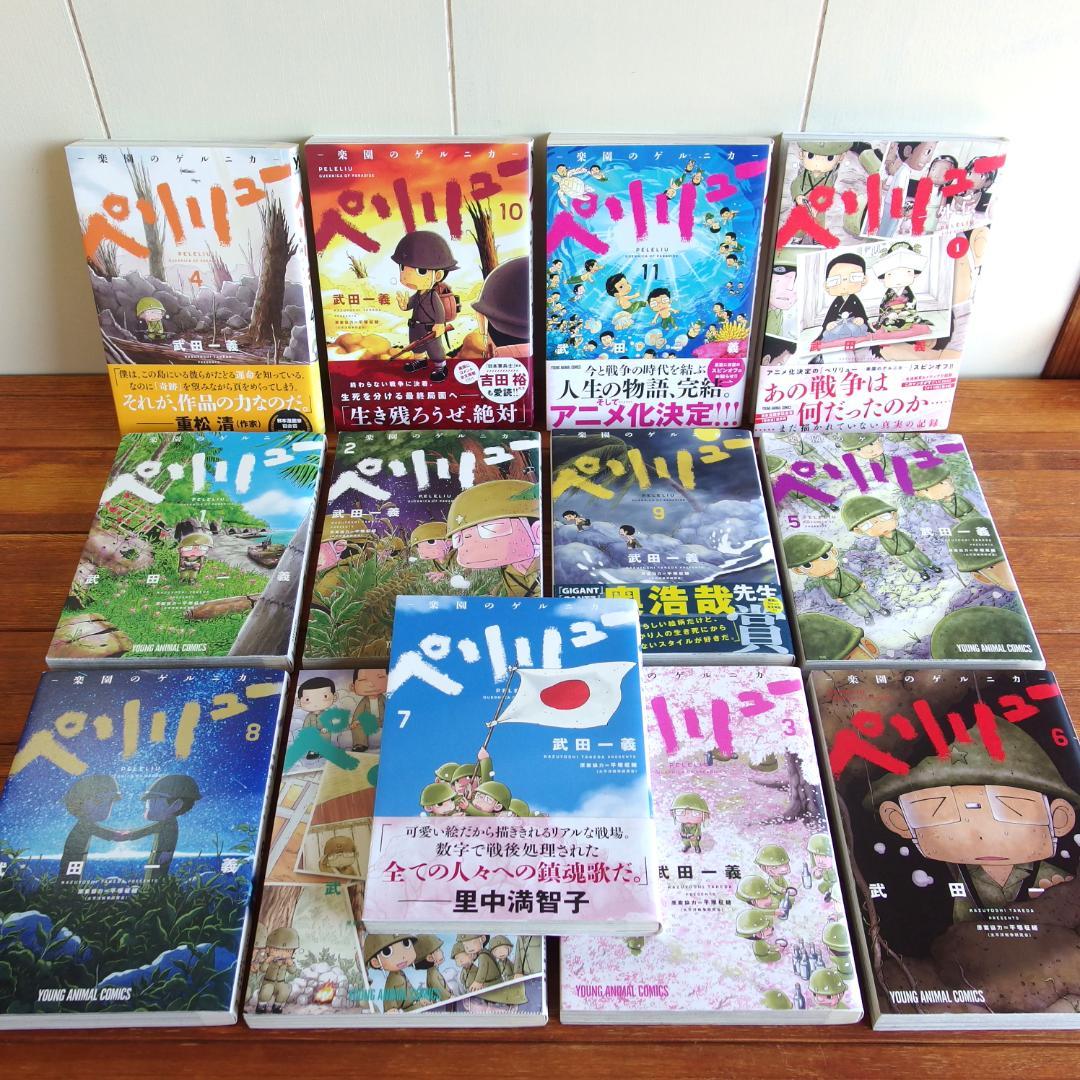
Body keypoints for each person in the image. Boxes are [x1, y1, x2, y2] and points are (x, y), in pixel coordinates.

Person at [391, 230, 458, 382]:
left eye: (421, 271)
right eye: (403, 268)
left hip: (430, 328)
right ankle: (420, 362)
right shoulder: (418, 294)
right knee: (416, 347)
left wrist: (439, 323)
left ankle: (440, 367)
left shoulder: (433, 295)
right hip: (416, 327)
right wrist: (404, 305)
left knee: (434, 349)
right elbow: (411, 304)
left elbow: (439, 310)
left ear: (438, 275)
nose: (407, 275)